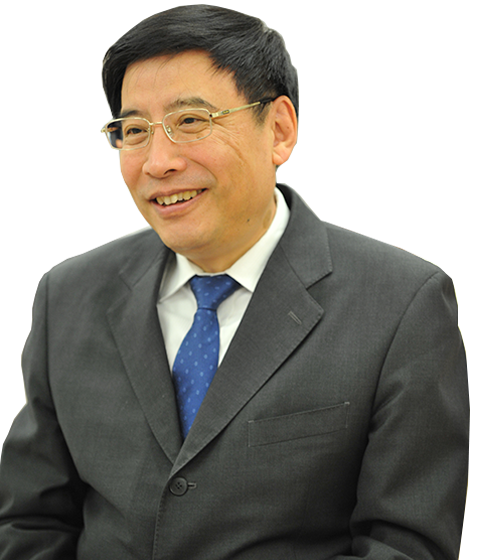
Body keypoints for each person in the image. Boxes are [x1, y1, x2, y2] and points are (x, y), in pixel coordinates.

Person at [0, 6, 469, 560]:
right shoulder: (70, 297)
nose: (158, 162)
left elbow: (404, 545)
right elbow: (32, 523)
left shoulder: (400, 305)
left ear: (279, 130)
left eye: (190, 121)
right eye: (134, 131)